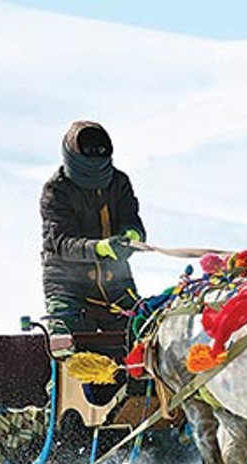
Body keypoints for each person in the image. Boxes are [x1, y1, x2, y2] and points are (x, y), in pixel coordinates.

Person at [40, 120, 147, 337]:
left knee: (142, 336)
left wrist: (132, 235)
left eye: (99, 150)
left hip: (116, 285)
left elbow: (131, 220)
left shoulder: (119, 182)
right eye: (88, 150)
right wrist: (100, 248)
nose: (95, 154)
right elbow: (61, 243)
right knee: (68, 347)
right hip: (68, 287)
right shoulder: (56, 190)